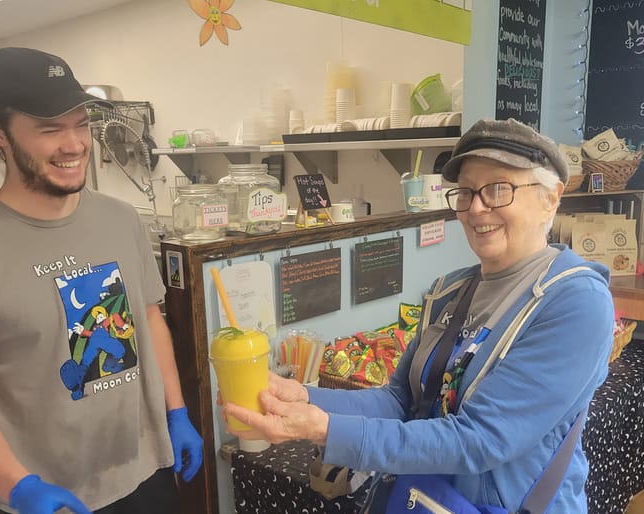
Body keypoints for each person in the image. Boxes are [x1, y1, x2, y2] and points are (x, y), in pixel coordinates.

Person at [224, 118, 615, 513]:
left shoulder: (575, 302)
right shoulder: (451, 292)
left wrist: (324, 429)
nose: (477, 207)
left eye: (499, 189)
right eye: (466, 191)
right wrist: (305, 396)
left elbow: (478, 440)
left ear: (551, 198)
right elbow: (399, 402)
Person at [0, 47, 203, 514]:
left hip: (148, 469)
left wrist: (176, 411)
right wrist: (19, 486)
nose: (75, 144)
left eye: (81, 124)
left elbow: (148, 318)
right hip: (49, 494)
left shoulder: (123, 221)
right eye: (49, 129)